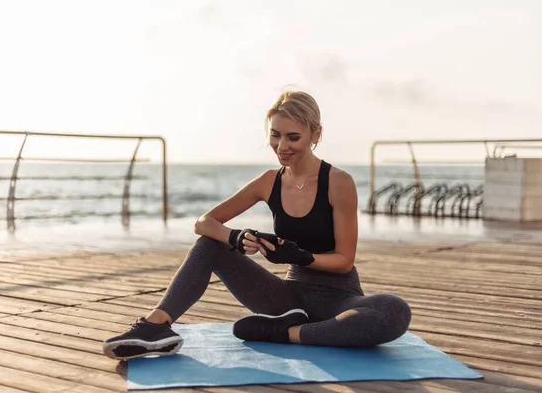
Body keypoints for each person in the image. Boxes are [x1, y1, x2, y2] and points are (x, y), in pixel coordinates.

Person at [102, 90, 412, 361]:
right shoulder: (268, 181)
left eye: (293, 137)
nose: (281, 146)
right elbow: (204, 223)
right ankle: (155, 326)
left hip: (339, 300)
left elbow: (344, 262)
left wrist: (300, 256)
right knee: (210, 244)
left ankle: (287, 333)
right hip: (286, 300)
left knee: (393, 311)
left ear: (315, 134)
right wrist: (235, 237)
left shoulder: (338, 182)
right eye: (275, 135)